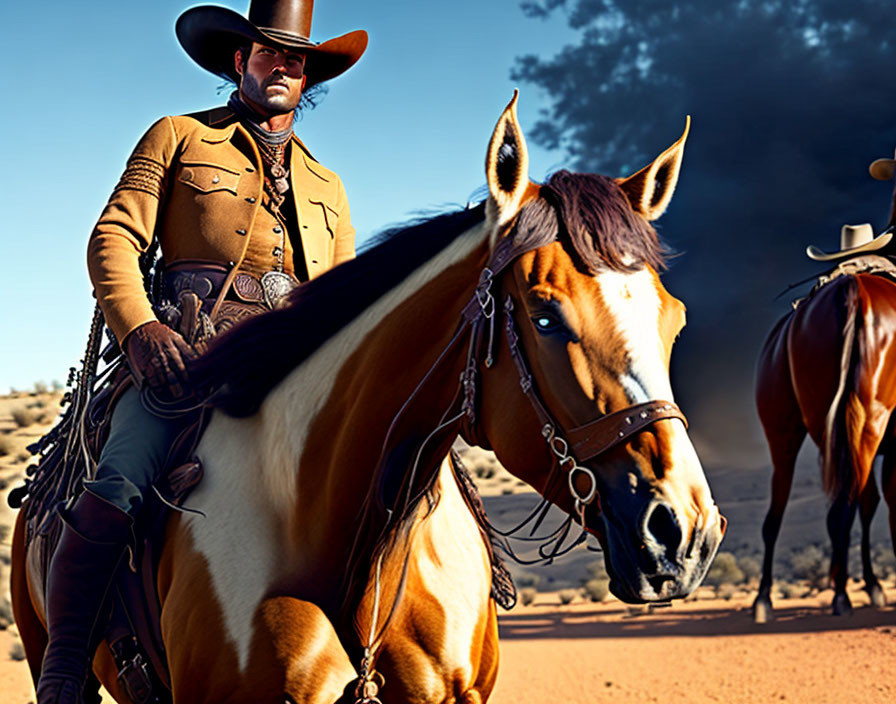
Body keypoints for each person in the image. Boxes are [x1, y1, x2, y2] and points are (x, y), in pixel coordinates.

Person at [36, 2, 367, 701]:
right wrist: (139, 330)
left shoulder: (330, 186)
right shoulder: (179, 136)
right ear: (238, 61)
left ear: (308, 77)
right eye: (266, 51)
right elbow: (115, 239)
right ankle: (65, 662)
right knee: (121, 478)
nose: (281, 64)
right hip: (186, 363)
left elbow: (345, 300)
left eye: (295, 58)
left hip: (295, 372)